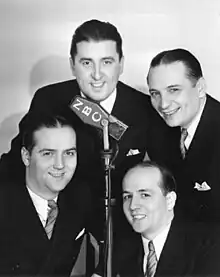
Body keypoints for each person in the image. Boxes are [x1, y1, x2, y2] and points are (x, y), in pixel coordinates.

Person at [0, 19, 170, 240]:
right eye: (87, 63)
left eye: (107, 62)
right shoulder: (49, 99)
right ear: (72, 65)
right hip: (62, 221)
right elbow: (15, 163)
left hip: (122, 223)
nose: (97, 75)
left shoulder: (144, 109)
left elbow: (166, 175)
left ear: (121, 64)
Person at [0, 113, 93, 276]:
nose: (60, 165)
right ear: (26, 156)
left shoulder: (80, 198)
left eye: (69, 153)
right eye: (48, 153)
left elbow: (119, 235)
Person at [147, 48, 220, 223]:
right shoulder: (162, 130)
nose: (163, 104)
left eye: (173, 90)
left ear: (200, 88)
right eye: (155, 93)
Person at [111, 161, 211, 277]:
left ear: (169, 200)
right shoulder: (120, 247)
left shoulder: (208, 246)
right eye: (127, 197)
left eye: (145, 195)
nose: (133, 205)